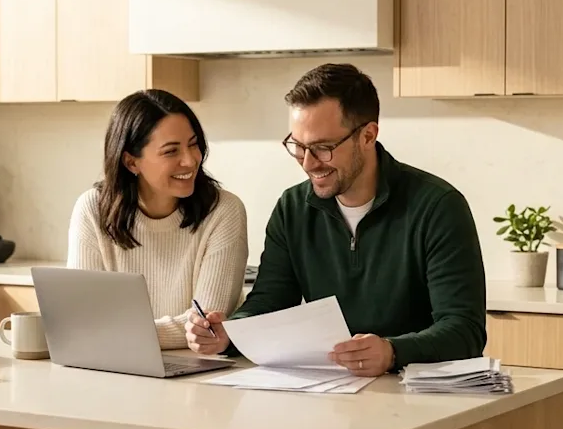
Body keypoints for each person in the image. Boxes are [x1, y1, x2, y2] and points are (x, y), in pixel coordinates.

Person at [184, 63, 486, 376]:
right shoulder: (292, 208)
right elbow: (269, 304)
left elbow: (465, 331)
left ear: (368, 135)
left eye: (323, 148)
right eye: (298, 146)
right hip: (328, 386)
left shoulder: (437, 207)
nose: (308, 163)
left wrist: (392, 351)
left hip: (415, 390)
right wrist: (231, 333)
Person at [67, 89, 248, 350]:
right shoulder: (92, 209)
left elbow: (206, 326)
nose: (190, 160)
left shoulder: (224, 211)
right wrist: (106, 332)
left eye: (193, 144)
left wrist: (113, 333)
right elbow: (81, 317)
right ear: (131, 162)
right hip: (114, 363)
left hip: (198, 366)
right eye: (171, 151)